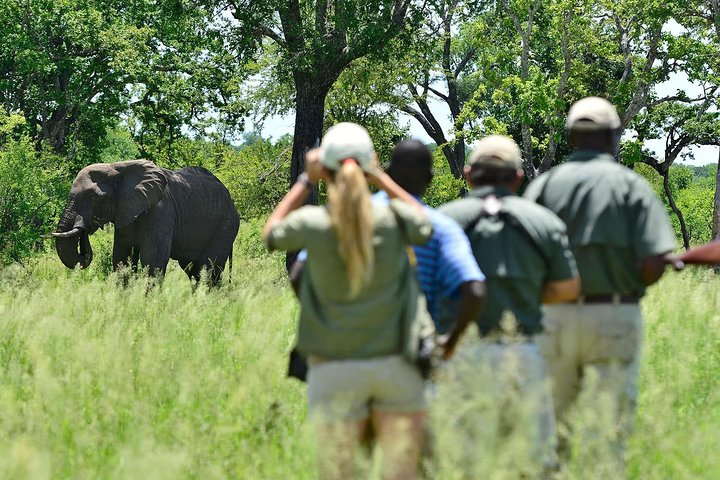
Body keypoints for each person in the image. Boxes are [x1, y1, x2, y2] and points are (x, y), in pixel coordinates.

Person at [263, 122, 433, 480]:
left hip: (334, 369)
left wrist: (305, 182)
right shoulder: (392, 219)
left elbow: (272, 234)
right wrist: (382, 179)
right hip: (396, 366)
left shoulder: (314, 222)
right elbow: (424, 224)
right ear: (368, 164)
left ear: (325, 167)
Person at [523, 97, 677, 462]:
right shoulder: (631, 186)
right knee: (608, 433)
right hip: (613, 311)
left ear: (572, 138)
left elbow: (526, 256)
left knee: (551, 431)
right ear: (612, 136)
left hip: (554, 316)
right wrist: (628, 281)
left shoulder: (543, 186)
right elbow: (656, 262)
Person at [438, 135, 580, 475]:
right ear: (517, 178)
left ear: (469, 175)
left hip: (460, 352)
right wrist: (530, 293)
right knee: (531, 460)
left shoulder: (443, 220)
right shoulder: (544, 222)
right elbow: (569, 287)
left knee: (464, 459)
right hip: (524, 354)